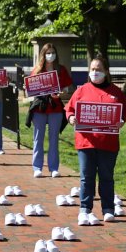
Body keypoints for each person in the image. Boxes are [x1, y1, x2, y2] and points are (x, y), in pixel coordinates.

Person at [66, 55, 126, 222]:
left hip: (108, 144)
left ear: (106, 72)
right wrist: (71, 118)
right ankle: (85, 208)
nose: (95, 72)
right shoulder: (81, 90)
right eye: (93, 69)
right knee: (86, 176)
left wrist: (121, 121)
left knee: (106, 177)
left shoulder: (116, 92)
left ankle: (108, 208)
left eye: (99, 69)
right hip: (85, 142)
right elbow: (70, 109)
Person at [28, 43, 74, 178]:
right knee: (38, 138)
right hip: (40, 108)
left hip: (56, 108)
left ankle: (54, 168)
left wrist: (61, 92)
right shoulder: (37, 70)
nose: (51, 55)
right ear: (43, 54)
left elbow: (67, 87)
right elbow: (30, 87)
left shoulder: (61, 69)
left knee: (54, 139)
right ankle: (37, 167)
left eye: (53, 52)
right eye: (48, 53)